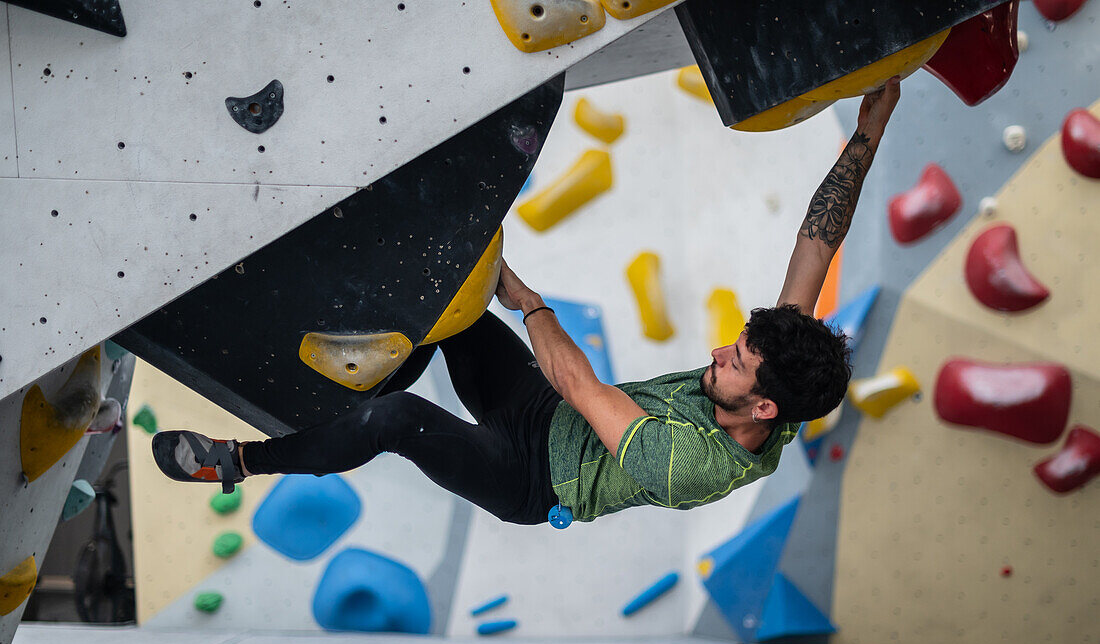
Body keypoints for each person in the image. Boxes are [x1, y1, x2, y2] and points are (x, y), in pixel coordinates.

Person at [152, 79, 901, 526]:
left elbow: (582, 385)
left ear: (762, 409)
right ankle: (342, 383)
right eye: (734, 344)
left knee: (396, 421)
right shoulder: (785, 371)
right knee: (452, 303)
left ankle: (238, 461)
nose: (717, 353)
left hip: (529, 475)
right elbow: (816, 245)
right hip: (551, 415)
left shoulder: (696, 467)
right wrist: (868, 132)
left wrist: (528, 300)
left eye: (735, 362)